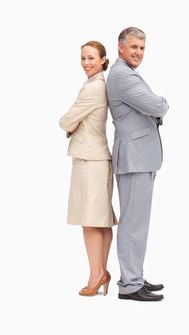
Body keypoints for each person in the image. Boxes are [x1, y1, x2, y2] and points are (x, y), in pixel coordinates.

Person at [106, 27, 169, 301]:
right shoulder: (122, 75)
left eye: (142, 48)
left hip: (140, 156)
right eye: (133, 47)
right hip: (134, 158)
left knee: (138, 223)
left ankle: (135, 277)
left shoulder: (127, 73)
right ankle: (130, 285)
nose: (138, 53)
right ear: (120, 47)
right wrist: (162, 103)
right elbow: (157, 106)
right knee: (133, 223)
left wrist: (154, 106)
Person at [59, 41, 117, 297]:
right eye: (83, 58)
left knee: (90, 222)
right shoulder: (100, 86)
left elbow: (65, 120)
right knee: (101, 222)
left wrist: (72, 126)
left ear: (104, 60)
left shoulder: (93, 89)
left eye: (91, 58)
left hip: (89, 160)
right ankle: (101, 272)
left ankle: (95, 276)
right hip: (99, 158)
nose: (86, 63)